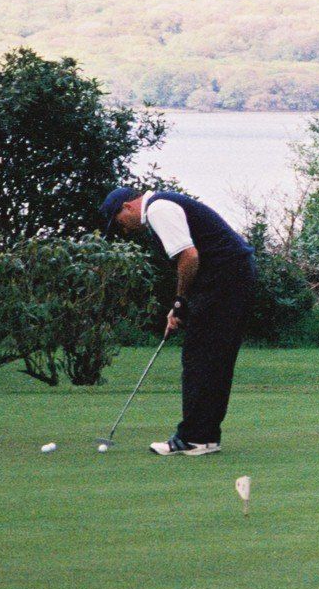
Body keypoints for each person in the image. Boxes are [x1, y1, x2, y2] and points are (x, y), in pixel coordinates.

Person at [101, 186, 258, 456]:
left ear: (127, 207)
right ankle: (205, 438)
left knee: (200, 358)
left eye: (119, 222)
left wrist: (179, 301)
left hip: (225, 279)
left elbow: (189, 256)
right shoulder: (163, 205)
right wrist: (181, 306)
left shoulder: (157, 209)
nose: (123, 230)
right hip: (232, 277)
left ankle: (194, 438)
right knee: (214, 360)